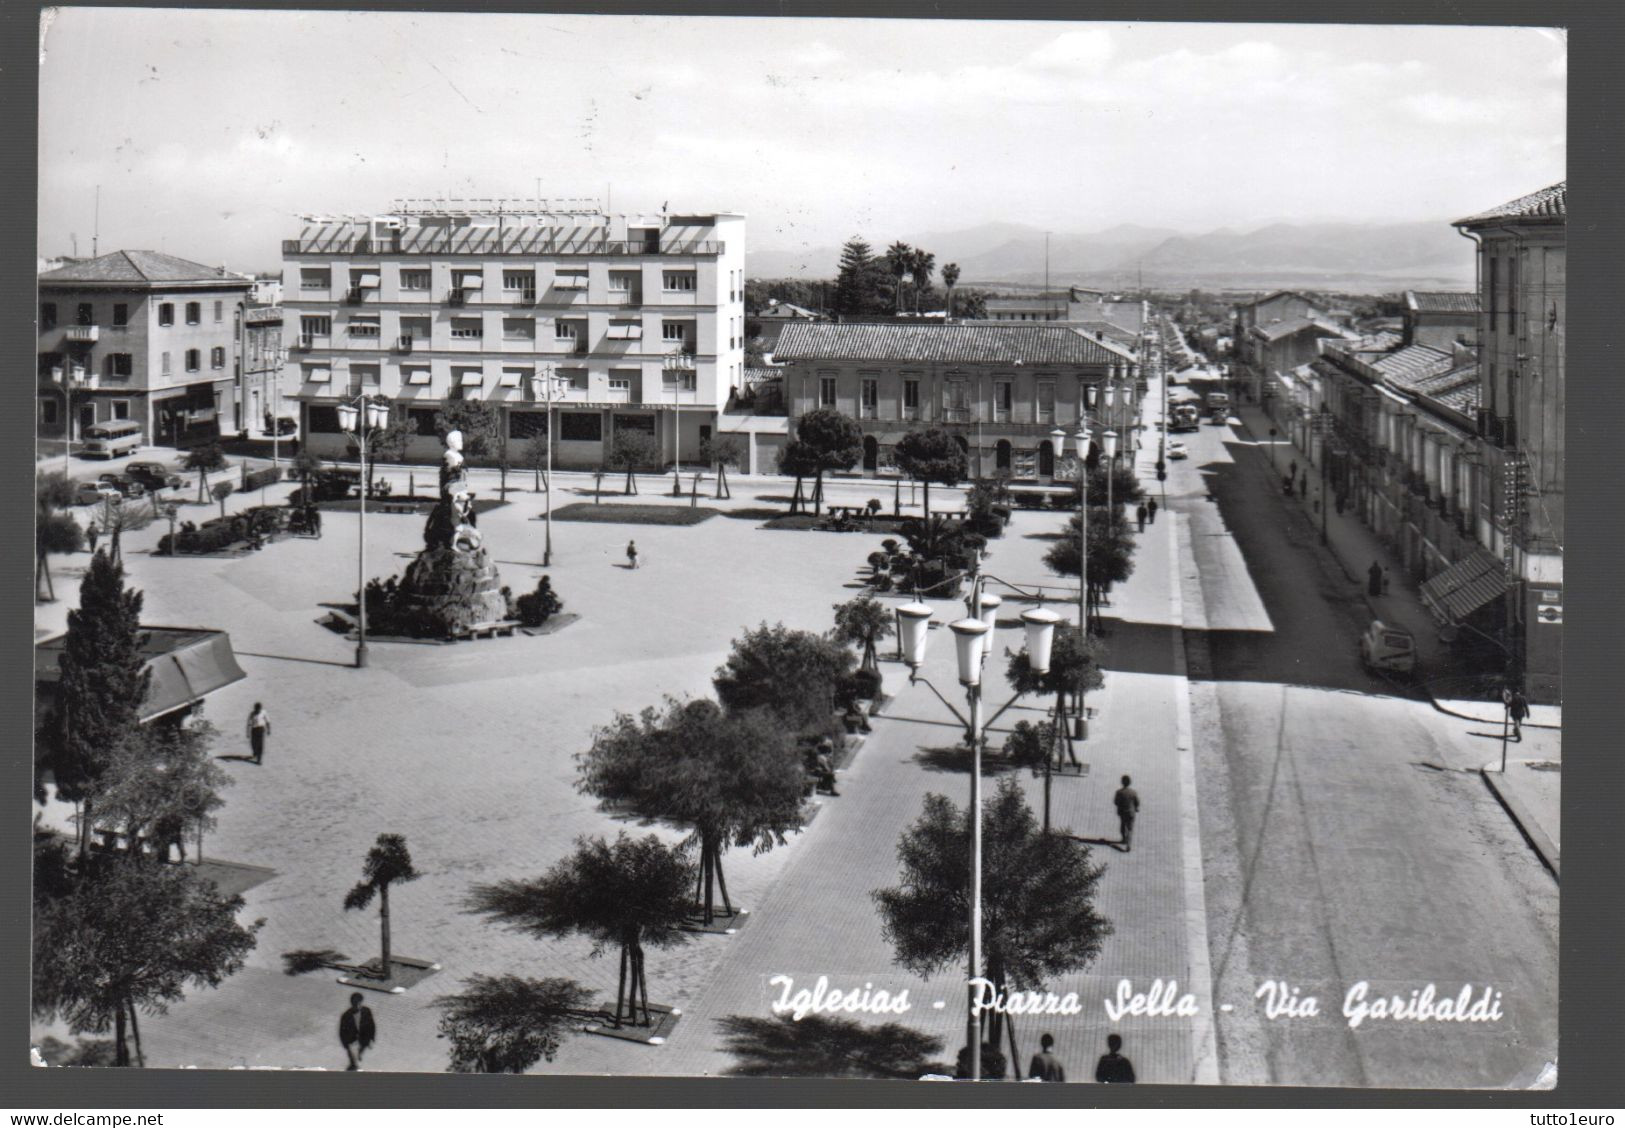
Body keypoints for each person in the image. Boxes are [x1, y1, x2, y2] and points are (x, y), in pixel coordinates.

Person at [339, 992, 376, 1071]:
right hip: (352, 1041)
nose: (356, 1005)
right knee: (354, 1061)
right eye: (354, 1003)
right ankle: (354, 1068)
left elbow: (371, 1025)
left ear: (361, 1002)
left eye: (358, 1003)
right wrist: (345, 1044)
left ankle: (356, 1063)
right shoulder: (346, 1015)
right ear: (351, 1003)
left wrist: (372, 1038)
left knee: (358, 1056)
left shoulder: (367, 1011)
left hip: (363, 1039)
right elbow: (342, 1031)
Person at [1114, 774, 1140, 851]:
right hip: (1131, 812)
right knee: (1130, 829)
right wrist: (1136, 808)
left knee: (1123, 825)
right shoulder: (1133, 792)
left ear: (1122, 782)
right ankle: (1128, 844)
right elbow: (1137, 802)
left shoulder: (1119, 792)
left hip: (1122, 812)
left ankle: (1124, 839)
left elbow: (1116, 802)